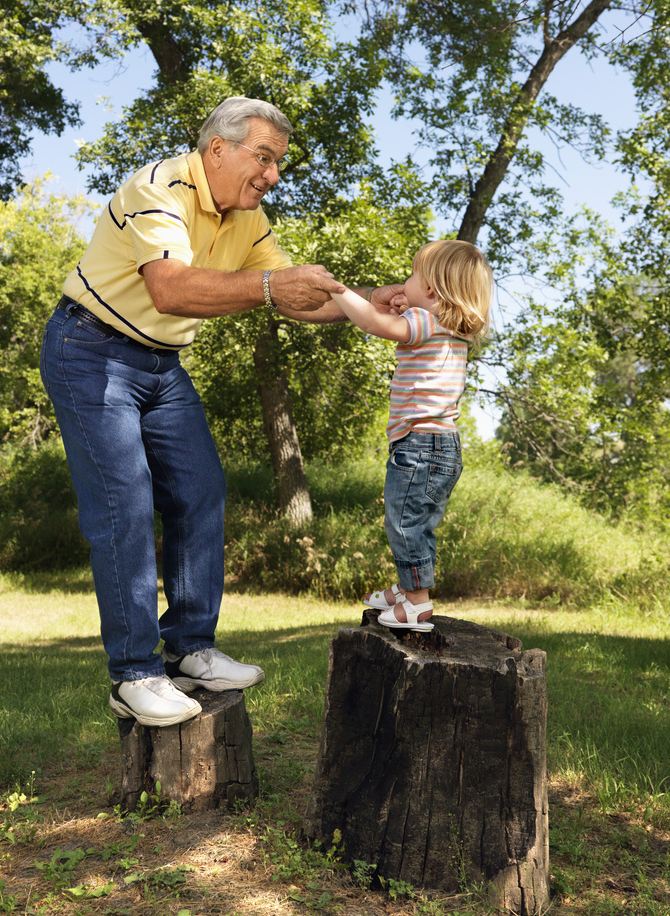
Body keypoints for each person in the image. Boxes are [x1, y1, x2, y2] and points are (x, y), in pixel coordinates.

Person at [40, 97, 403, 727]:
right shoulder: (157, 189)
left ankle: (190, 649)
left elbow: (294, 294)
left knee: (201, 488)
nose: (273, 175)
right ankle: (134, 674)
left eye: (279, 163)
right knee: (123, 503)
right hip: (90, 349)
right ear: (218, 149)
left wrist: (371, 303)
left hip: (160, 365)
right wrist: (268, 288)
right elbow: (171, 288)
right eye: (263, 158)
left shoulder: (247, 216)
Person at [330, 240, 492, 631]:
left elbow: (373, 323)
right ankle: (408, 589)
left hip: (419, 445)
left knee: (403, 524)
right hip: (442, 447)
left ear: (432, 289)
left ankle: (417, 604)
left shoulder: (425, 323)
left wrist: (339, 291)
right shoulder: (451, 328)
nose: (406, 280)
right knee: (418, 524)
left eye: (413, 274)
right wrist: (409, 307)